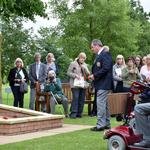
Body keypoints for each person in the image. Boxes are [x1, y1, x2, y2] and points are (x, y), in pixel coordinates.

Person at [89, 39, 113, 131]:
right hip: (103, 83)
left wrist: (95, 75)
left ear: (97, 45)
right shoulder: (101, 55)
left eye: (92, 47)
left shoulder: (105, 54)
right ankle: (107, 123)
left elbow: (106, 68)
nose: (92, 49)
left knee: (100, 105)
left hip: (103, 83)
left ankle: (100, 125)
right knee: (105, 105)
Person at [67, 52, 90, 118]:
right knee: (76, 98)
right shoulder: (73, 63)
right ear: (79, 57)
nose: (82, 59)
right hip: (74, 84)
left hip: (82, 84)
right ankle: (73, 114)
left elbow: (88, 74)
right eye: (81, 58)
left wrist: (84, 68)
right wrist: (75, 75)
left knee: (81, 98)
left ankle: (79, 114)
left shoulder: (85, 65)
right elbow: (68, 73)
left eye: (84, 58)